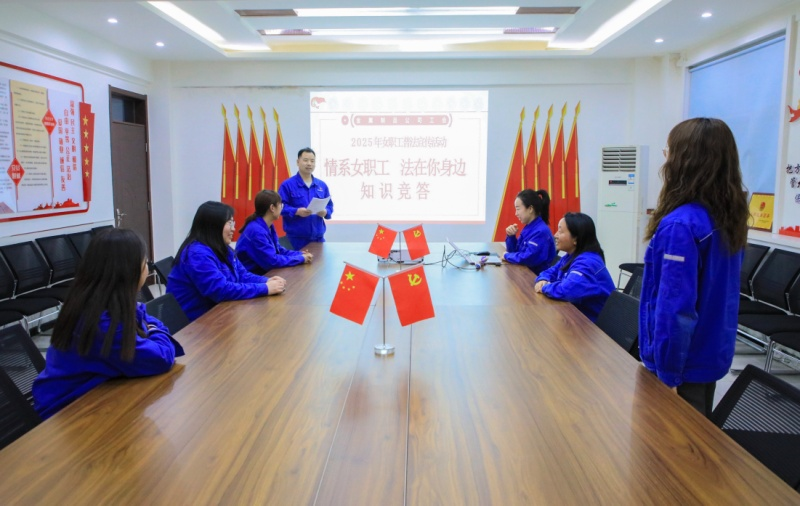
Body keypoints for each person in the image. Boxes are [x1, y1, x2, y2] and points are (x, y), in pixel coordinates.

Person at [639, 118, 748, 417]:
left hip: (682, 368)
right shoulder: (726, 218)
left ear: (685, 161)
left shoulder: (681, 225)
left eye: (669, 151)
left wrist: (668, 374)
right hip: (709, 354)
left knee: (670, 443)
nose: (665, 160)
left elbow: (675, 310)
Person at [32, 229, 183, 420]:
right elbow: (161, 358)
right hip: (68, 413)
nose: (147, 268)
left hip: (90, 396)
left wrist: (151, 327)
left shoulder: (92, 301)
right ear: (129, 272)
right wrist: (156, 331)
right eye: (145, 263)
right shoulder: (102, 322)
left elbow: (145, 317)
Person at [168, 201, 286, 321]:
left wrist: (267, 281)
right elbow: (220, 290)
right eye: (229, 223)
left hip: (218, 314)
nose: (233, 228)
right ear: (214, 225)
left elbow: (242, 275)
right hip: (194, 324)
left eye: (233, 223)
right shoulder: (197, 254)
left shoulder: (222, 247)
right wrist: (265, 288)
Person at [534, 212, 615, 322]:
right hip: (576, 317)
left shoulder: (587, 263)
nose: (555, 235)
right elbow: (550, 272)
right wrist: (543, 279)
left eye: (560, 231)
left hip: (593, 327)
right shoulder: (570, 256)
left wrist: (544, 287)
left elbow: (566, 291)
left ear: (576, 239)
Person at [236, 190, 313, 275]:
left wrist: (300, 254)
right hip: (253, 276)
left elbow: (278, 250)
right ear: (272, 208)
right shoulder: (256, 231)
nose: (282, 208)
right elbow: (272, 261)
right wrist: (300, 259)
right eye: (281, 205)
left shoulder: (268, 226)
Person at [278, 147, 333, 250]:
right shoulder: (287, 185)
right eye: (305, 160)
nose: (309, 164)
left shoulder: (321, 185)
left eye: (312, 161)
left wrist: (325, 212)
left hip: (318, 239)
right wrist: (297, 211)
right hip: (295, 240)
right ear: (298, 162)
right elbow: (280, 208)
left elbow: (329, 205)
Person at [502, 189, 556, 273]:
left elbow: (528, 259)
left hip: (534, 277)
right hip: (524, 273)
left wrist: (507, 256)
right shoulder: (529, 227)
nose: (516, 213)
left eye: (518, 209)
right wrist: (511, 236)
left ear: (530, 209)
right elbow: (515, 252)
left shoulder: (540, 232)